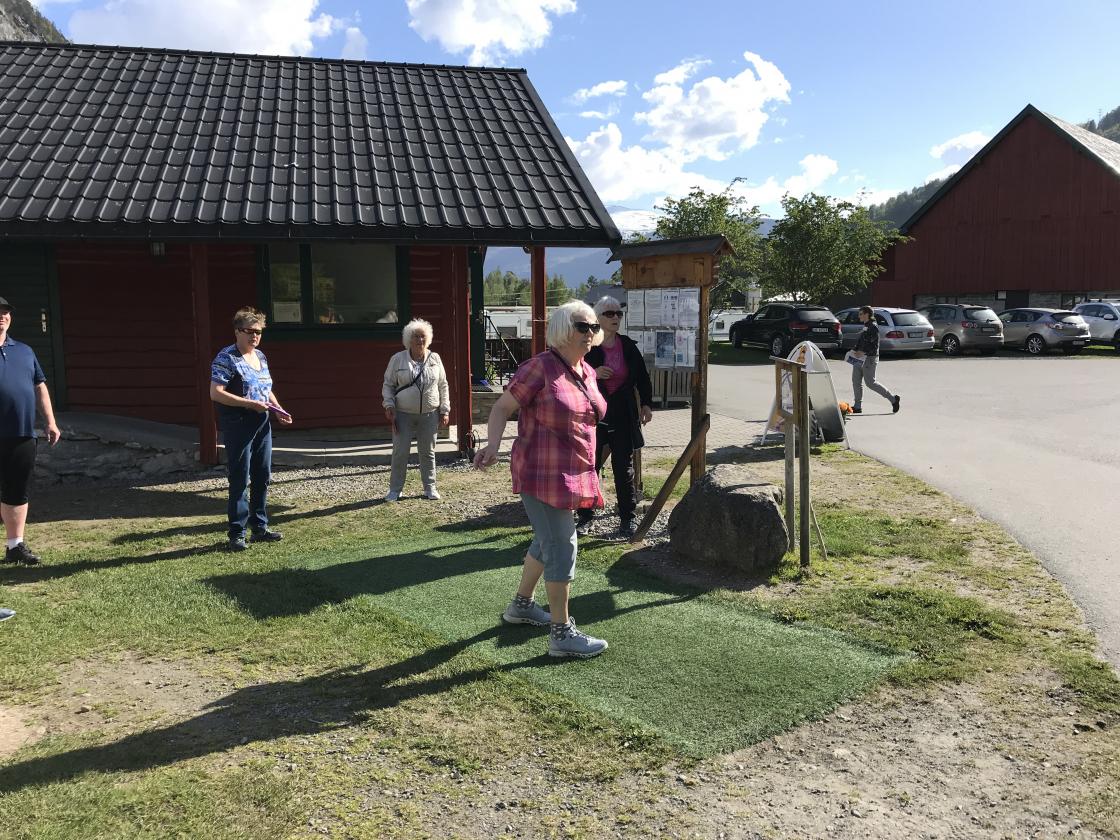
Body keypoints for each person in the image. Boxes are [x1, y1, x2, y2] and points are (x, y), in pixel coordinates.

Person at [474, 301, 609, 659]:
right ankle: (561, 634)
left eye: (595, 327)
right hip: (541, 472)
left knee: (546, 539)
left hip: (574, 470)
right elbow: (502, 407)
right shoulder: (539, 367)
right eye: (584, 326)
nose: (592, 332)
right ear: (564, 329)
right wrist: (492, 446)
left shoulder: (586, 371)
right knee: (562, 545)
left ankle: (521, 606)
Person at [209, 307, 292, 552]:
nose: (254, 336)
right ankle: (237, 533)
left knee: (262, 475)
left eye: (258, 332)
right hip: (238, 423)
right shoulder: (227, 358)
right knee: (240, 478)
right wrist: (249, 404)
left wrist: (278, 409)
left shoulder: (260, 356)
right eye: (249, 331)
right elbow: (216, 393)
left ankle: (260, 528)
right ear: (237, 331)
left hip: (261, 422)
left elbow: (265, 388)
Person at [578, 296, 654, 538]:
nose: (615, 318)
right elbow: (572, 374)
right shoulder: (587, 345)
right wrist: (593, 373)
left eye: (619, 313)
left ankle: (627, 519)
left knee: (623, 468)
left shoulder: (628, 346)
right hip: (592, 415)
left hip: (623, 414)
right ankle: (585, 516)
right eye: (609, 314)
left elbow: (642, 377)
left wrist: (647, 404)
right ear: (598, 318)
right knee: (589, 465)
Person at [0, 296, 61, 567]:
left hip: (21, 433)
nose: (2, 316)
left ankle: (15, 545)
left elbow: (39, 386)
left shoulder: (24, 351)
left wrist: (50, 421)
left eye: (5, 312)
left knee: (17, 489)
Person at [381, 319, 450, 502]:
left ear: (428, 339)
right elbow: (388, 385)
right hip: (403, 413)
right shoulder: (397, 359)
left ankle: (430, 487)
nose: (420, 340)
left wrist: (445, 410)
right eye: (416, 336)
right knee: (400, 452)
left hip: (430, 413)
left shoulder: (435, 358)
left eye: (423, 336)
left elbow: (443, 385)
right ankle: (395, 489)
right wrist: (389, 405)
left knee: (428, 452)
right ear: (408, 340)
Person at [850, 305, 901, 415]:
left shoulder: (873, 327)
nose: (859, 316)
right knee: (856, 381)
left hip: (869, 358)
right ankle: (857, 406)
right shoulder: (866, 326)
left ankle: (893, 399)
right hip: (859, 358)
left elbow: (874, 345)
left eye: (861, 314)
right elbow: (861, 341)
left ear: (867, 314)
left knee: (870, 383)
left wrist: (863, 352)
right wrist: (854, 350)